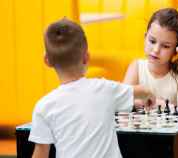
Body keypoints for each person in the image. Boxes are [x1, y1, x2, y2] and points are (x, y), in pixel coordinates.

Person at [28, 18, 155, 158]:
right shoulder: (106, 89)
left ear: (47, 60)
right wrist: (149, 97)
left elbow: (40, 155)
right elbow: (143, 91)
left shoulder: (44, 107)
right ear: (86, 57)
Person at [123, 2, 178, 158]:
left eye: (166, 46)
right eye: (152, 41)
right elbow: (122, 100)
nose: (155, 50)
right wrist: (148, 102)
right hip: (147, 140)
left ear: (176, 50)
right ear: (145, 37)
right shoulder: (136, 67)